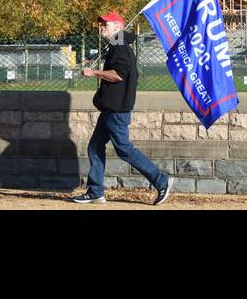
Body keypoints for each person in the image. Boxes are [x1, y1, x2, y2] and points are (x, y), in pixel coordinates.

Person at [70, 12, 172, 205]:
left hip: (116, 111)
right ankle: (95, 192)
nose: (102, 27)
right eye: (101, 24)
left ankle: (161, 181)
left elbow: (118, 74)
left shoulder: (119, 45)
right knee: (95, 147)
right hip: (111, 109)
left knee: (124, 150)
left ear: (117, 27)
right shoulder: (117, 45)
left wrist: (94, 73)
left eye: (106, 24)